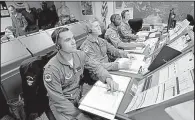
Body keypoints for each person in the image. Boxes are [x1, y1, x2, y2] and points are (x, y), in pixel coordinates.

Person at [43, 27, 118, 120]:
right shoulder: (51, 69)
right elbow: (58, 99)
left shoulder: (79, 55)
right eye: (67, 40)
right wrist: (78, 115)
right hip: (62, 106)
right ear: (58, 46)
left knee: (106, 113)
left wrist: (108, 79)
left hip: (78, 96)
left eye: (73, 38)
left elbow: (96, 67)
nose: (73, 42)